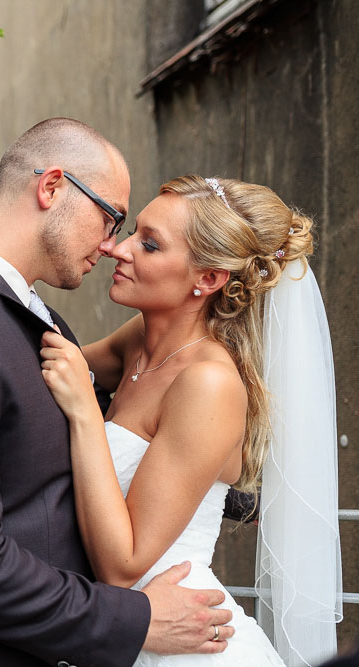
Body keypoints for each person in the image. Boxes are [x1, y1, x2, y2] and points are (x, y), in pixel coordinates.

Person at [0, 118, 235, 667]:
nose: (113, 246)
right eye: (111, 219)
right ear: (52, 187)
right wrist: (137, 620)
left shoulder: (41, 320)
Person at [39, 174, 342, 665]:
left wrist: (84, 413)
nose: (119, 249)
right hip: (119, 627)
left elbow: (122, 565)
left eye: (150, 245)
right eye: (134, 230)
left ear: (207, 280)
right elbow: (52, 371)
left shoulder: (208, 384)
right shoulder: (141, 339)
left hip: (184, 637)